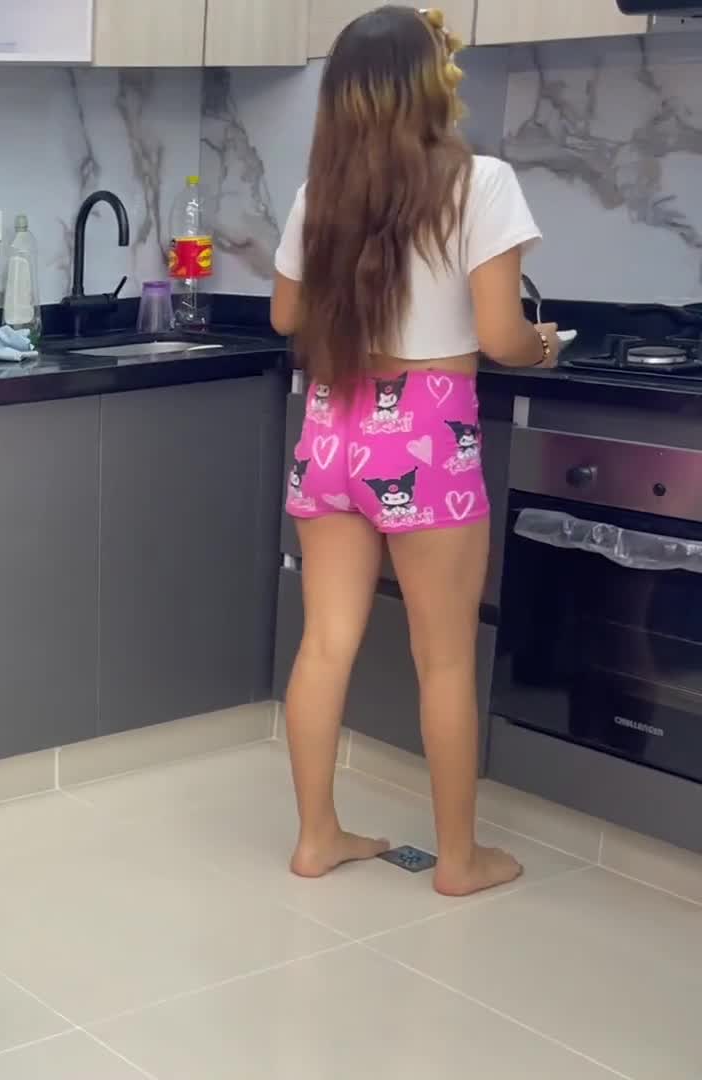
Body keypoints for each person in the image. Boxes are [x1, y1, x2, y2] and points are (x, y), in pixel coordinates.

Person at [270, 6, 559, 898]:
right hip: (427, 429)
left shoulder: (322, 192)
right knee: (444, 659)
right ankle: (459, 861)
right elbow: (502, 335)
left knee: (326, 645)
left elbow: (283, 316)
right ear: (432, 84)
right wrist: (544, 346)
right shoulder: (482, 182)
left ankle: (317, 838)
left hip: (333, 418)